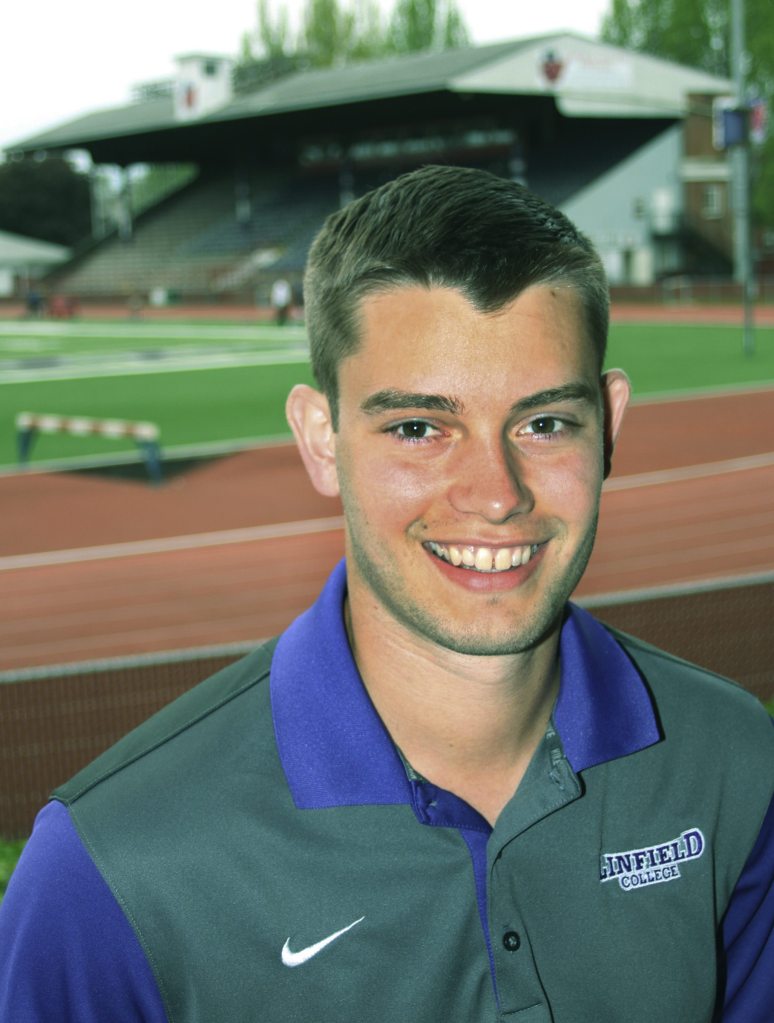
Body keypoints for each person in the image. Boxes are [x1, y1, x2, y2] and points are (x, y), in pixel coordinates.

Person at [1, 165, 771, 1022]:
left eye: (545, 422)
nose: (496, 491)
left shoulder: (737, 767)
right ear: (321, 440)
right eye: (417, 428)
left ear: (611, 423)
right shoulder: (109, 867)